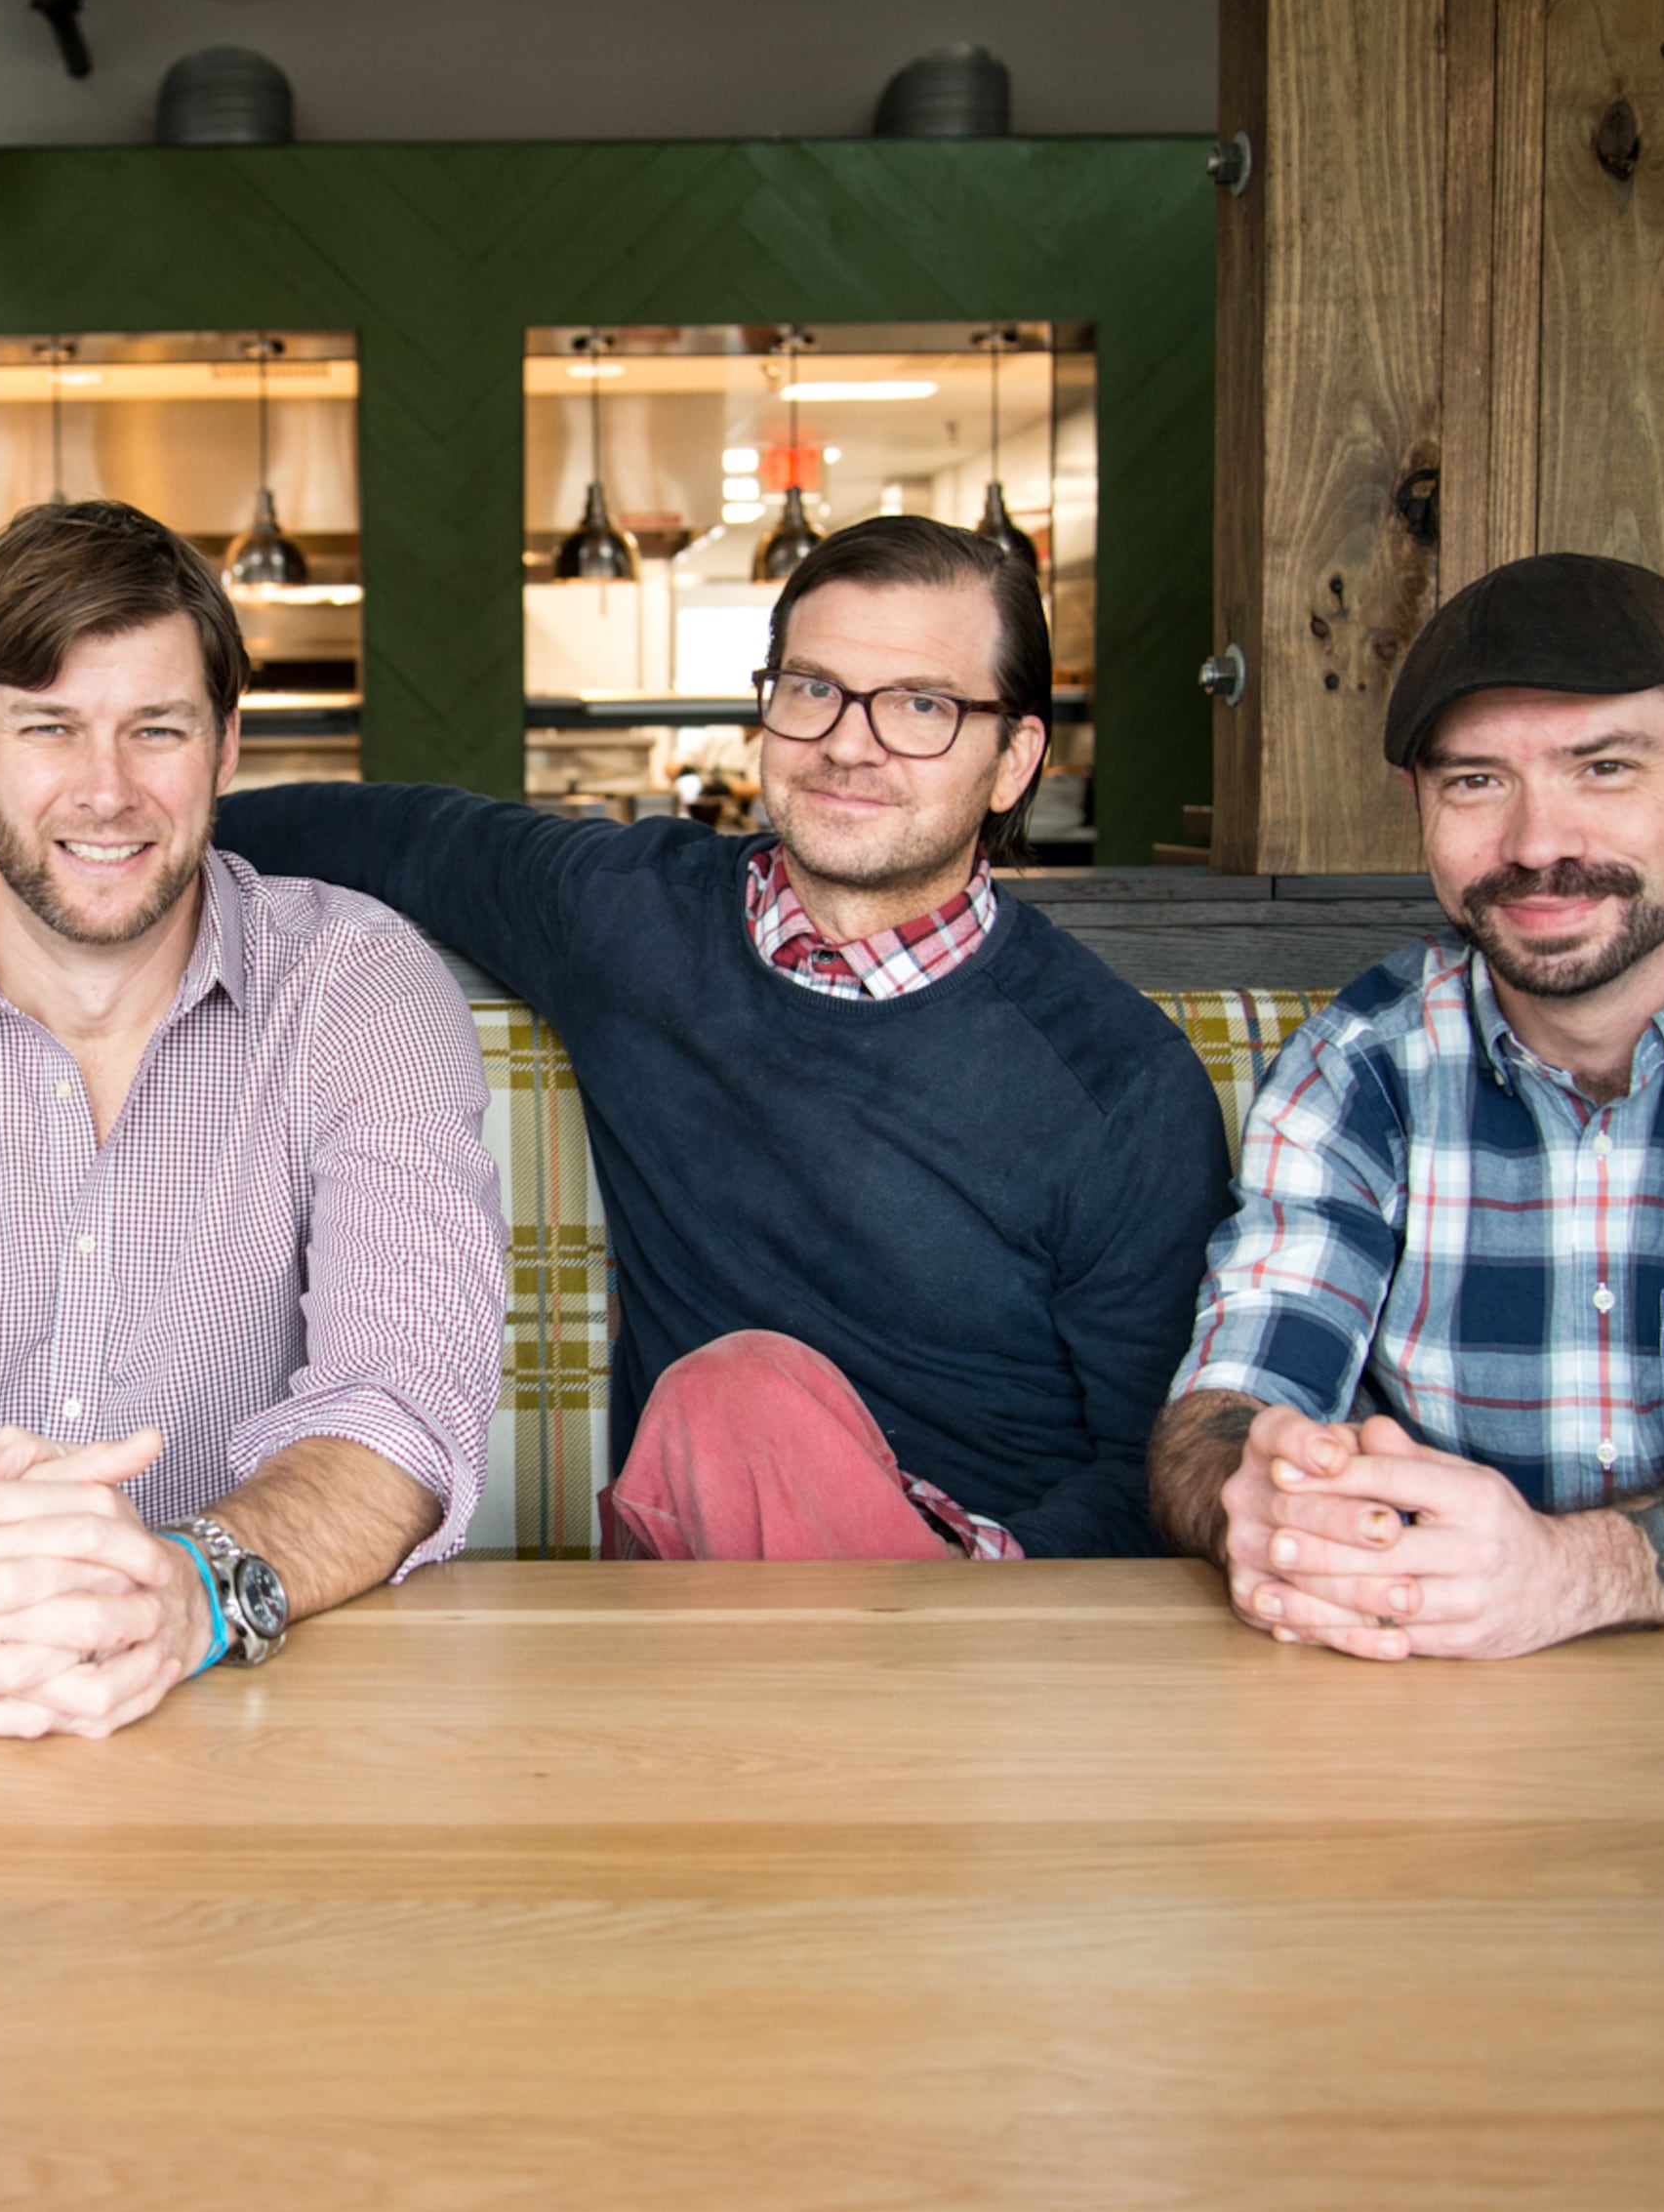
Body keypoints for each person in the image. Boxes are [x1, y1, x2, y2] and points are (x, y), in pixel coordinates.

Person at [215, 515, 1232, 1563]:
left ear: (1014, 761)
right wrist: (142, 835)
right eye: (813, 688)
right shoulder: (628, 918)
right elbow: (391, 835)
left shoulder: (1120, 1083)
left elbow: (1151, 1468)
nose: (848, 742)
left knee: (737, 1396)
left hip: (986, 1612)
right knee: (732, 1398)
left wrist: (968, 1590)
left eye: (920, 705)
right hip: (701, 1583)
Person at [0, 501, 504, 1740]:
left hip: (275, 1703)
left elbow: (402, 1399)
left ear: (226, 747)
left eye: (156, 729)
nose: (106, 792)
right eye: (49, 727)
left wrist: (191, 1586)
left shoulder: (359, 988)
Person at [1147, 551, 1664, 1729]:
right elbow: (1222, 1408)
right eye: (1478, 781)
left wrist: (1565, 1573)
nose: (1538, 843)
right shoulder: (1355, 1066)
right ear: (1421, 805)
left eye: (1605, 768)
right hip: (1422, 1713)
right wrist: (1262, 1493)